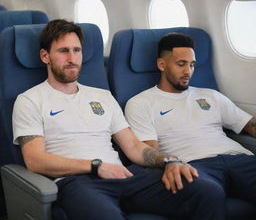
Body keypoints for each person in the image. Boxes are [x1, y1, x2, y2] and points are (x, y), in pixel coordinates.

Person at [12, 20, 224, 220]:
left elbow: (132, 146)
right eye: (63, 51)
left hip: (124, 175)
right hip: (77, 182)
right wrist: (95, 166)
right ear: (45, 56)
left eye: (77, 50)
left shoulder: (102, 96)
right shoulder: (30, 100)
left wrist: (169, 161)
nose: (72, 58)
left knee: (206, 191)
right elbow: (35, 160)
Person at [125, 32, 256, 218]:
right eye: (181, 64)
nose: (188, 71)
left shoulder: (210, 95)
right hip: (193, 165)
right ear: (161, 64)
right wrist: (171, 163)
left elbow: (250, 125)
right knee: (208, 192)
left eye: (192, 65)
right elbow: (149, 151)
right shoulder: (141, 103)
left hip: (239, 158)